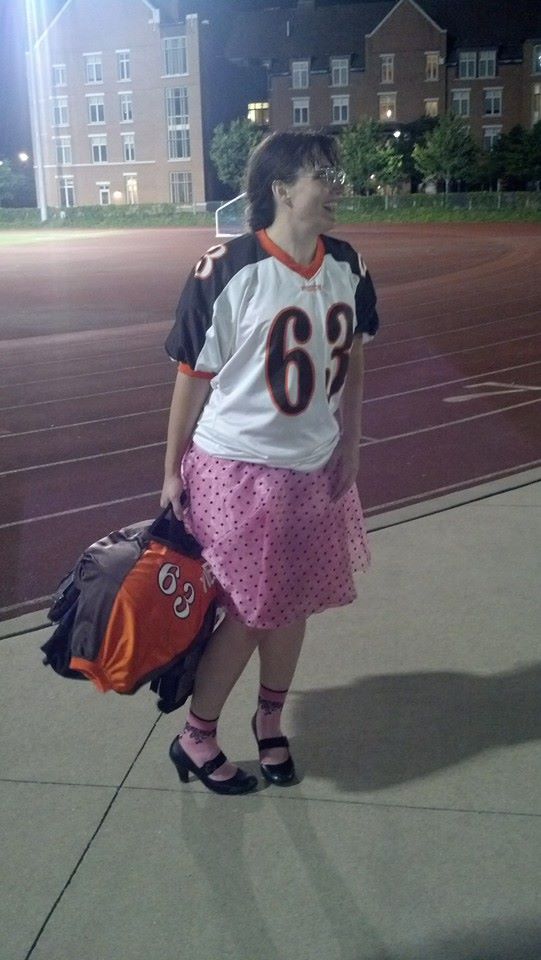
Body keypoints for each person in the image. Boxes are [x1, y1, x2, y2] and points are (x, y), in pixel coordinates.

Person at [160, 131, 379, 795]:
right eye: (322, 175)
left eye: (336, 174)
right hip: (238, 466)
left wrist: (350, 442)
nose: (336, 186)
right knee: (254, 610)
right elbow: (191, 376)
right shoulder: (227, 266)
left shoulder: (347, 263)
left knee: (294, 604)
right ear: (282, 189)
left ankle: (269, 718)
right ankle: (195, 736)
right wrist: (170, 469)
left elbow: (355, 364)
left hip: (314, 466)